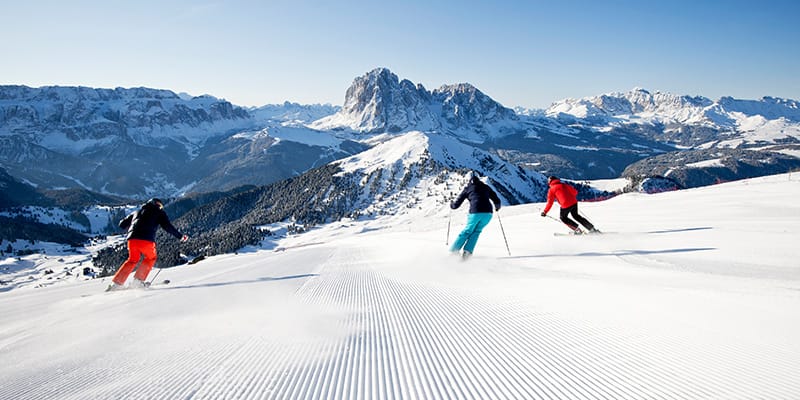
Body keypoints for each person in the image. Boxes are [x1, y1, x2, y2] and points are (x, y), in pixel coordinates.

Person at [107, 198, 188, 291]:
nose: (160, 207)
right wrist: (180, 236)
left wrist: (134, 225)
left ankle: (116, 283)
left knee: (132, 260)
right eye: (160, 205)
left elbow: (121, 224)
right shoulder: (159, 212)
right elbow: (167, 226)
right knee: (150, 258)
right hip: (146, 240)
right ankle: (138, 281)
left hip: (132, 240)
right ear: (156, 205)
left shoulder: (137, 212)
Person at [449, 173, 502, 260]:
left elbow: (457, 204)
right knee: (476, 231)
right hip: (488, 214)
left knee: (467, 231)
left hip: (475, 213)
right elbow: (496, 199)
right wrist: (497, 207)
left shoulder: (468, 189)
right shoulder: (486, 187)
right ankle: (468, 252)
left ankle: (454, 251)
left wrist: (452, 205)